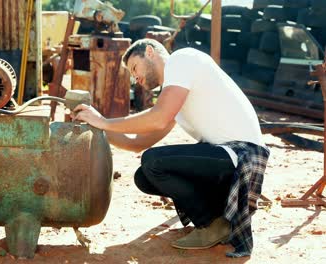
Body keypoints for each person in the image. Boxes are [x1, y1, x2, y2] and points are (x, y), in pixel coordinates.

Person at [71, 38, 270, 257]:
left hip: (243, 154)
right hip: (226, 157)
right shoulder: (176, 91)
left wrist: (105, 121)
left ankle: (212, 225)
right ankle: (217, 217)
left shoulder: (182, 59)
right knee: (144, 176)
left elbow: (158, 118)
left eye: (135, 68)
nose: (135, 78)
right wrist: (98, 127)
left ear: (150, 52)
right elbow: (138, 143)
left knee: (153, 162)